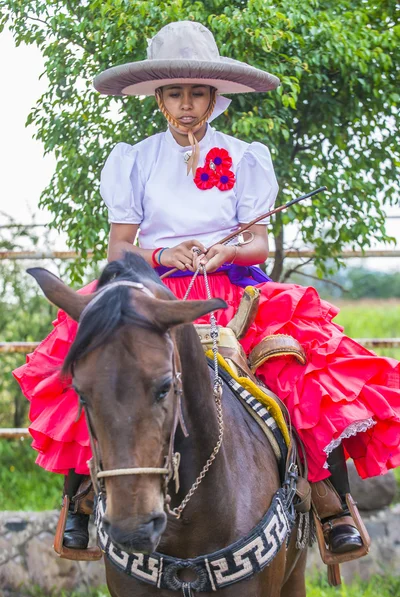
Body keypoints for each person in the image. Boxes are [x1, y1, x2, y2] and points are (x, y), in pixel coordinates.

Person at [13, 21, 400, 556]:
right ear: (158, 100)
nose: (187, 104)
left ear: (214, 97)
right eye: (175, 93)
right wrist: (162, 254)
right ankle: (80, 501)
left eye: (197, 92)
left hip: (231, 288)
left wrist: (230, 250)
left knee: (300, 362)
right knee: (96, 367)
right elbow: (119, 250)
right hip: (152, 290)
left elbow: (259, 243)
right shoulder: (135, 159)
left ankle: (330, 500)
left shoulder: (244, 157)